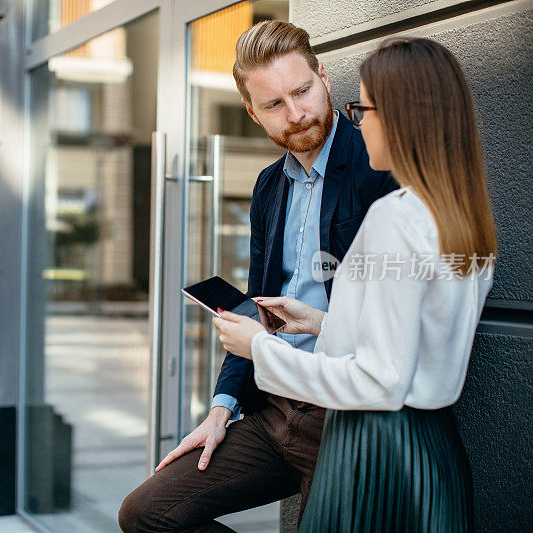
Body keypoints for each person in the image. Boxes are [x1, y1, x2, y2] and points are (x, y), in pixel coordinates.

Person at [119, 20, 397, 532]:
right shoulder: (270, 186)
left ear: (323, 78)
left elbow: (395, 320)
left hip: (345, 413)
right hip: (272, 408)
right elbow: (254, 307)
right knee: (148, 515)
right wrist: (221, 409)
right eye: (274, 105)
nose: (296, 113)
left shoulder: (376, 165)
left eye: (302, 91)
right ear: (251, 112)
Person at [213, 37, 496, 532]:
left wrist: (261, 346)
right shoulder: (463, 217)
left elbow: (379, 380)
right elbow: (413, 338)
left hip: (371, 439)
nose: (358, 121)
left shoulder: (395, 216)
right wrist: (324, 322)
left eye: (364, 107)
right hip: (429, 448)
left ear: (405, 117)